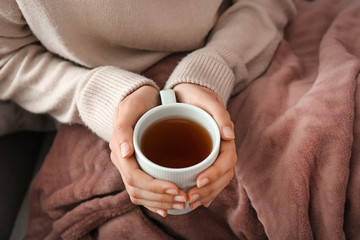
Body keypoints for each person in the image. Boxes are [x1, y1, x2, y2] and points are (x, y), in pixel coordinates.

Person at [0, 0, 296, 218]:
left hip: (235, 48)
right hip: (85, 88)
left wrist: (212, 69)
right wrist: (107, 98)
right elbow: (7, 57)